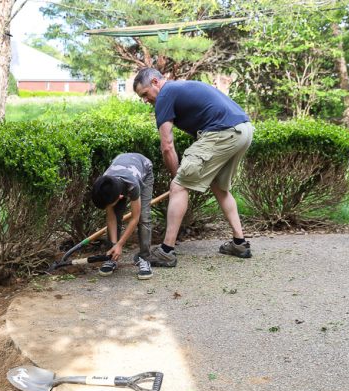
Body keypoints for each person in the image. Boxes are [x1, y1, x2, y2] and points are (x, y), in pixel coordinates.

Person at [133, 68, 254, 267]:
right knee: (219, 186)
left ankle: (166, 251)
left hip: (222, 132)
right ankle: (239, 244)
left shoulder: (164, 95)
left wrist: (177, 179)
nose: (145, 100)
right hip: (243, 130)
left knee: (179, 186)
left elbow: (167, 146)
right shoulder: (179, 87)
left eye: (145, 94)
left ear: (155, 82)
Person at [90, 153, 154, 280]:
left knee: (143, 217)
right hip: (120, 169)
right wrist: (114, 244)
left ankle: (144, 258)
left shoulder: (133, 185)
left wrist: (121, 244)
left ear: (120, 197)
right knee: (116, 214)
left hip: (144, 169)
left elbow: (135, 218)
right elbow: (111, 218)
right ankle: (111, 257)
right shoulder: (105, 184)